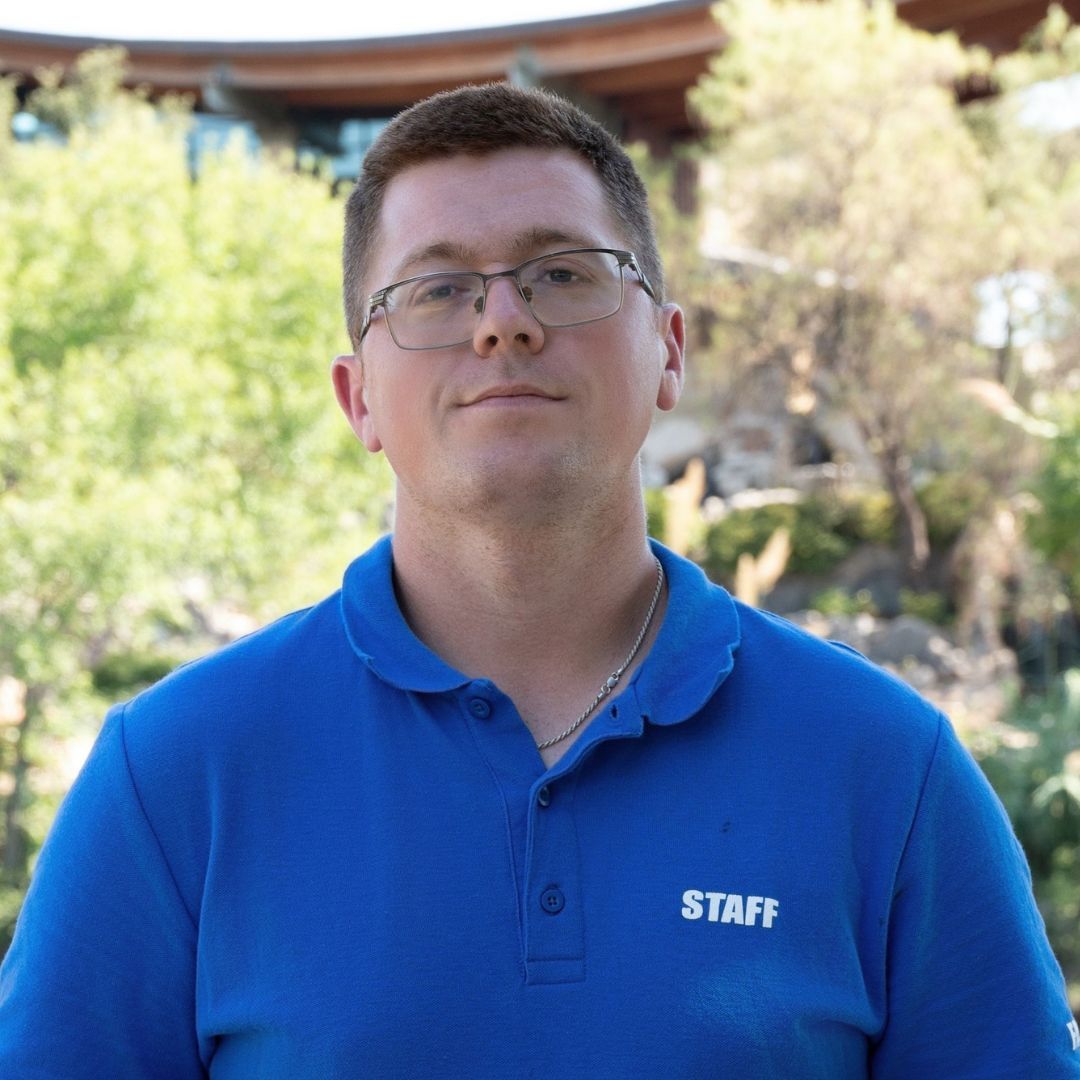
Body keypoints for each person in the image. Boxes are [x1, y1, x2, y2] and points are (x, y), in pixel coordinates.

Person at [0, 82, 1077, 1080]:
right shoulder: (176, 776)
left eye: (562, 273)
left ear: (668, 350)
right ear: (358, 396)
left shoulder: (887, 771)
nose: (501, 320)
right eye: (436, 288)